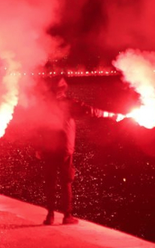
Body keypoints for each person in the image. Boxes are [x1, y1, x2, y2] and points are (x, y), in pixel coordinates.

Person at [38, 77, 119, 225]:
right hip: (64, 148)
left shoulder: (44, 105)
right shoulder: (69, 103)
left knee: (50, 182)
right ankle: (67, 216)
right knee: (66, 182)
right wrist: (111, 115)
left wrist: (39, 147)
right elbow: (90, 111)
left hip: (48, 148)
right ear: (64, 89)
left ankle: (50, 216)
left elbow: (37, 126)